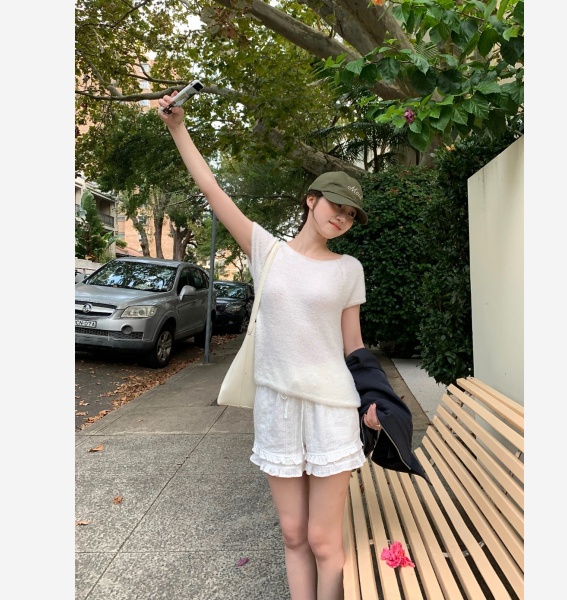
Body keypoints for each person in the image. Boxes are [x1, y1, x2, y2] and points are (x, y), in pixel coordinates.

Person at [158, 90, 381, 600]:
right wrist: (178, 129)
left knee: (324, 539)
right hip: (276, 404)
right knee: (293, 534)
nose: (342, 218)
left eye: (351, 214)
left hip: (332, 407)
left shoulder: (349, 269)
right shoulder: (268, 252)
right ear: (311, 200)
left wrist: (374, 400)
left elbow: (354, 345)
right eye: (336, 205)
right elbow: (212, 188)